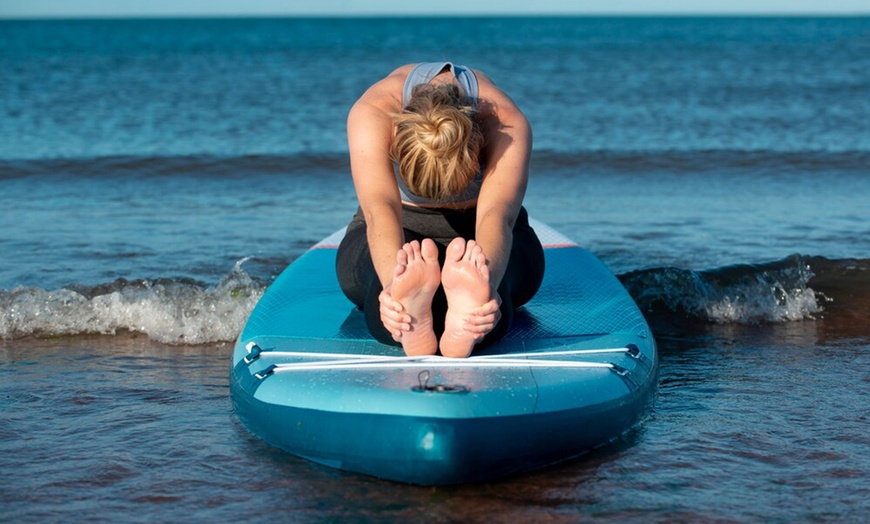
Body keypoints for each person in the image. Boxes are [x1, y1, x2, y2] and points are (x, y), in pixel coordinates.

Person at [336, 62, 544, 358]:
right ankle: (410, 310)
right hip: (400, 230)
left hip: (478, 233)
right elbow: (379, 210)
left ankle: (466, 317)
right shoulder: (374, 112)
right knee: (383, 293)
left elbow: (496, 215)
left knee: (491, 301)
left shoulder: (504, 122)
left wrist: (487, 288)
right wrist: (392, 287)